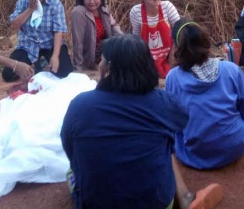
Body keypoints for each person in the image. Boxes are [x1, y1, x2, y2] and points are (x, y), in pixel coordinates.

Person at [61, 34, 223, 209]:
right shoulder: (164, 102)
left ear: (108, 68)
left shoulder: (80, 104)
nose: (99, 64)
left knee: (71, 171)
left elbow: (69, 147)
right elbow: (182, 122)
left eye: (103, 60)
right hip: (157, 203)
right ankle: (184, 197)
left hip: (95, 204)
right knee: (163, 140)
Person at [166, 19, 244, 170]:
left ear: (177, 47)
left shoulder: (172, 78)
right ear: (206, 41)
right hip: (235, 146)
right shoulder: (231, 70)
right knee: (241, 117)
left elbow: (173, 120)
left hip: (195, 154)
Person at [2, 0, 73, 82]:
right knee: (8, 75)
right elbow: (14, 26)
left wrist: (55, 56)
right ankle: (36, 62)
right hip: (28, 45)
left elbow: (59, 31)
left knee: (64, 72)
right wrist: (30, 9)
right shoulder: (23, 1)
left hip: (49, 44)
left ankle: (44, 61)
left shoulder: (55, 4)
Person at [129, 0, 181, 78]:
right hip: (147, 54)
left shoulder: (167, 7)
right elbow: (136, 37)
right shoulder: (135, 12)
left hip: (170, 52)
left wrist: (172, 56)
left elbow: (179, 32)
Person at [70, 0, 123, 71]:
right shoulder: (78, 12)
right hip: (90, 57)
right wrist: (78, 66)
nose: (91, 2)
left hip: (105, 53)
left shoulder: (104, 9)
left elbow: (114, 28)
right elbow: (77, 41)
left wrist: (128, 41)